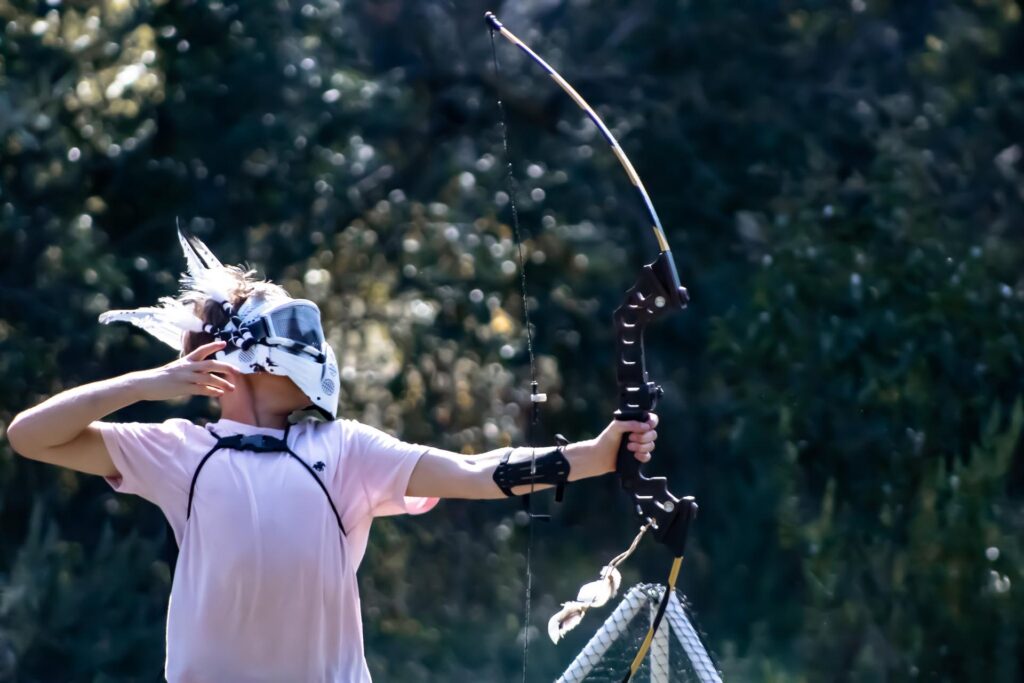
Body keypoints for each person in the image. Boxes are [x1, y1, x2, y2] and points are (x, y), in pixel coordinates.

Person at [7, 228, 659, 682]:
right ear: (242, 359)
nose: (314, 355)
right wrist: (146, 384)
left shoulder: (344, 451)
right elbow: (29, 434)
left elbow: (472, 472)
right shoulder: (181, 452)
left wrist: (598, 455)